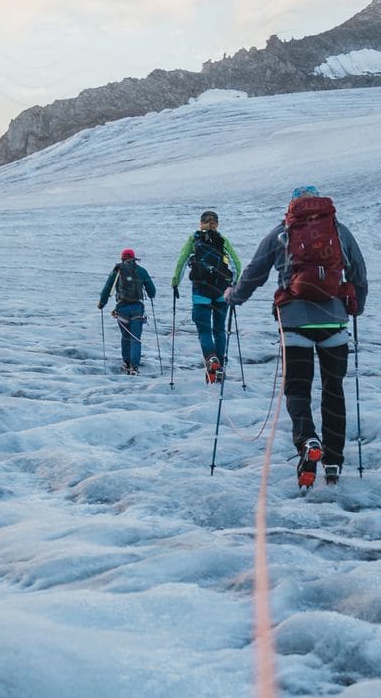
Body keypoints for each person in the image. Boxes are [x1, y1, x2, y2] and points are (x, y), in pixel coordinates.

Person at [225, 186, 367, 486]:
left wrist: (233, 297)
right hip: (335, 323)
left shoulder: (281, 233)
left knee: (298, 390)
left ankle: (307, 442)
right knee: (334, 391)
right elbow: (359, 273)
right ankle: (334, 462)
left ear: (292, 206)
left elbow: (254, 272)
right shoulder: (338, 231)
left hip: (293, 322)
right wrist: (356, 307)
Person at [171, 209, 242, 382]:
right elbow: (237, 264)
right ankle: (220, 368)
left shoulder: (194, 239)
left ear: (201, 223)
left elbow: (181, 261)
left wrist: (175, 283)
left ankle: (211, 359)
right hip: (221, 293)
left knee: (204, 330)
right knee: (219, 330)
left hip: (201, 292)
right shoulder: (222, 240)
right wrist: (234, 285)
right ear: (216, 224)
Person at [98, 248, 157, 374]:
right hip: (137, 309)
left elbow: (107, 289)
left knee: (125, 337)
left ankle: (126, 363)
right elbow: (152, 292)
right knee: (136, 338)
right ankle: (134, 366)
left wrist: (101, 304)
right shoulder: (141, 271)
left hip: (122, 308)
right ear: (134, 258)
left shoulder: (117, 271)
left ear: (122, 258)